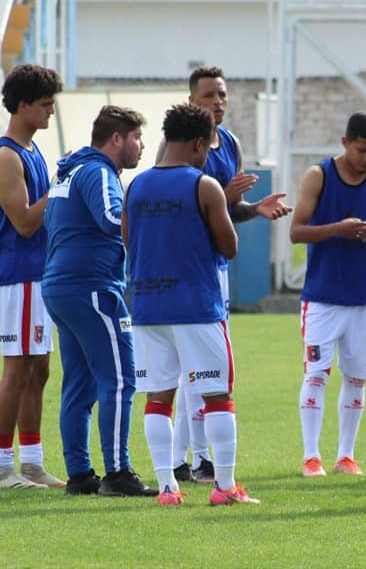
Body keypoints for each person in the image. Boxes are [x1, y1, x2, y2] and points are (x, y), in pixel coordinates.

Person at [124, 102, 259, 506]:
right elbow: (229, 246)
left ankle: (167, 488)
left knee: (158, 399)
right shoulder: (204, 185)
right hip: (196, 306)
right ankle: (224, 487)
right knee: (218, 396)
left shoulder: (136, 185)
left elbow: (129, 241)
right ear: (200, 143)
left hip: (148, 308)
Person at [166, 66, 292, 484]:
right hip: (186, 270)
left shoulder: (231, 143)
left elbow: (226, 213)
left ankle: (189, 460)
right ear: (191, 101)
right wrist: (224, 197)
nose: (217, 102)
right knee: (193, 369)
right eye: (208, 96)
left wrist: (253, 208)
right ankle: (192, 459)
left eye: (221, 94)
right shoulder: (176, 146)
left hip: (215, 268)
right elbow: (176, 206)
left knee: (200, 370)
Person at [42, 105, 156, 497]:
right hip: (91, 287)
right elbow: (112, 220)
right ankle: (118, 473)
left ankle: (80, 475)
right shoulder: (98, 172)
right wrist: (156, 223)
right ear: (117, 139)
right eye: (137, 137)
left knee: (78, 384)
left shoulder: (70, 170)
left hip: (61, 286)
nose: (142, 146)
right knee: (121, 381)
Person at [290, 112, 366, 477]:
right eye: (360, 150)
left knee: (357, 377)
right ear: (344, 143)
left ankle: (346, 455)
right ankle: (311, 456)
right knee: (317, 374)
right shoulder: (318, 175)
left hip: (365, 297)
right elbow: (297, 231)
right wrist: (339, 229)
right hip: (322, 296)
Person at [0, 64, 64, 489]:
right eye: (46, 104)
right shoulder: (6, 156)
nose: (52, 111)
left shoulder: (33, 151)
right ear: (23, 105)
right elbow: (25, 223)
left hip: (39, 273)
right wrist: (61, 187)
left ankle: (31, 463)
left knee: (40, 370)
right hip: (18, 275)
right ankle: (0, 468)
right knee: (17, 370)